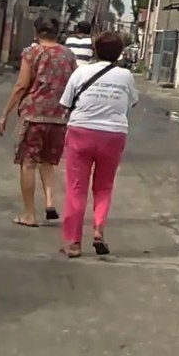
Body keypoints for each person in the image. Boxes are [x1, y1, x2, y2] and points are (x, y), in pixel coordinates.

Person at [57, 31, 138, 258]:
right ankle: (99, 229)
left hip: (80, 132)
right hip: (113, 135)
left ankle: (73, 243)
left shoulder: (81, 72)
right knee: (104, 186)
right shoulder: (126, 76)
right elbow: (132, 102)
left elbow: (66, 102)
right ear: (120, 53)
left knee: (76, 188)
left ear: (95, 50)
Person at [0, 16, 77, 227]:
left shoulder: (32, 53)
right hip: (60, 117)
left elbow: (21, 85)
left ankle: (29, 214)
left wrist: (5, 113)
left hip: (34, 116)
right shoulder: (68, 55)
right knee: (48, 161)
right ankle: (50, 202)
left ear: (36, 32)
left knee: (29, 163)